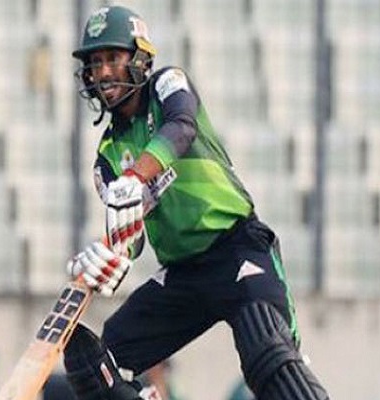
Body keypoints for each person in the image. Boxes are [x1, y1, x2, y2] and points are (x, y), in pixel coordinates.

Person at [63, 5, 330, 400]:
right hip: (182, 275)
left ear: (139, 58)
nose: (103, 72)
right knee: (103, 365)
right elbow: (130, 235)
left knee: (268, 353)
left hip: (237, 248)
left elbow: (181, 126)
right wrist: (107, 258)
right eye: (95, 62)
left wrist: (136, 177)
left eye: (112, 58)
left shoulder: (167, 84)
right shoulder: (107, 155)